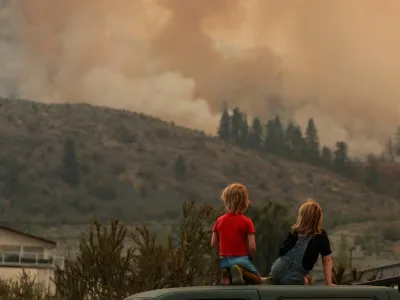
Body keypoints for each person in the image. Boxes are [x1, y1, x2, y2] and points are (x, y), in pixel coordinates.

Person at [269, 199, 334, 285]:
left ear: (302, 216)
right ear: (318, 218)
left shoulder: (294, 231)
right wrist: (329, 283)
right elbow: (327, 260)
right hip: (293, 279)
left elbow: (282, 252)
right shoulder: (320, 235)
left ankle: (269, 280)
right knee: (307, 280)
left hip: (276, 271)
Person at [211, 183, 261, 285]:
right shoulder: (247, 221)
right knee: (257, 279)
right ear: (245, 202)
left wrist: (222, 252)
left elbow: (213, 242)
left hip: (224, 259)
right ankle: (241, 271)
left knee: (228, 277)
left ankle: (226, 274)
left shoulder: (219, 220)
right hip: (241, 259)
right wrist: (251, 257)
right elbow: (252, 247)